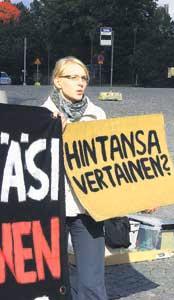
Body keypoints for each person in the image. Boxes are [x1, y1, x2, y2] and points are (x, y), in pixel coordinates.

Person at [42, 56, 108, 299]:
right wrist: (52, 133)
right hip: (52, 209)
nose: (81, 83)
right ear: (58, 81)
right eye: (73, 77)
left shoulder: (97, 114)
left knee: (92, 282)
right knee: (50, 280)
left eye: (84, 78)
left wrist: (140, 195)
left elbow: (112, 163)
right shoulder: (40, 117)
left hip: (87, 209)